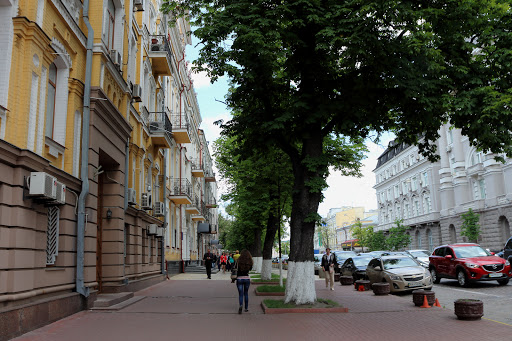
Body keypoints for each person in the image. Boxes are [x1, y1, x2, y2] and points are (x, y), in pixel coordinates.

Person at [236, 250, 253, 314]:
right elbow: (250, 269)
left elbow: (235, 268)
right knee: (246, 293)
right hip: (246, 279)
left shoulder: (238, 261)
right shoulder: (250, 261)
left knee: (240, 294)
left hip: (239, 278)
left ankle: (241, 305)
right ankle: (246, 308)